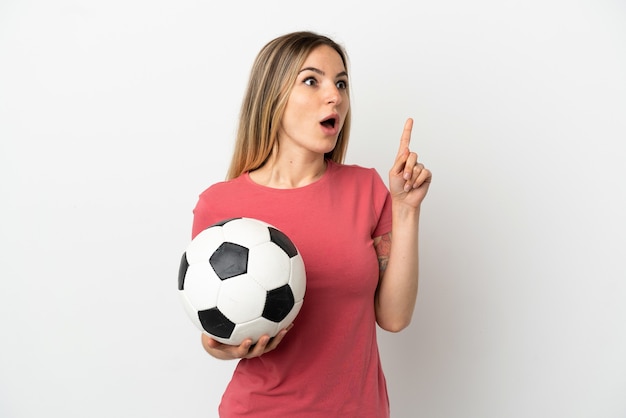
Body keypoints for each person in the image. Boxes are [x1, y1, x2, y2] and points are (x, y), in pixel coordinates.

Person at [191, 30, 431, 417]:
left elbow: (394, 317)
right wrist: (220, 347)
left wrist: (406, 208)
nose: (335, 95)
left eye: (341, 83)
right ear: (274, 95)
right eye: (311, 80)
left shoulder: (367, 189)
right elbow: (213, 323)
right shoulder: (219, 206)